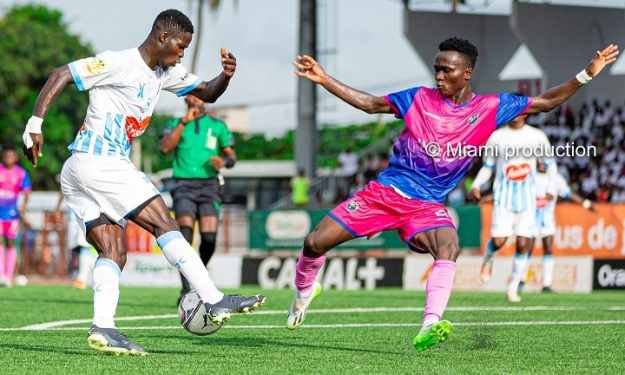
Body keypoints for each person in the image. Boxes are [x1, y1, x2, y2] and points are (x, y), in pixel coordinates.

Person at [287, 37, 618, 351]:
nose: (438, 76)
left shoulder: (490, 108)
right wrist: (325, 78)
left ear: (467, 73)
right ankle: (304, 293)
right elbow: (372, 105)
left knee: (449, 246)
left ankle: (430, 324)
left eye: (446, 70)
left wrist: (586, 74)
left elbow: (545, 103)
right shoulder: (418, 99)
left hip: (427, 206)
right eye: (436, 69)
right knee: (315, 243)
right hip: (386, 193)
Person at [22, 9, 265, 356]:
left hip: (78, 171)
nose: (182, 53)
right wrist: (34, 123)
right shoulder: (118, 62)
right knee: (165, 223)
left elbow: (208, 92)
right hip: (100, 161)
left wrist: (225, 76)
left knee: (113, 251)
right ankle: (213, 299)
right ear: (163, 38)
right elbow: (61, 74)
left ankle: (103, 326)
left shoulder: (165, 73)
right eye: (181, 47)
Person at [468, 112, 557, 303]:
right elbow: (487, 167)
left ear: (525, 113)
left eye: (519, 110)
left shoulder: (537, 136)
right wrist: (476, 185)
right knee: (499, 242)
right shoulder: (497, 137)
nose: (515, 114)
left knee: (523, 244)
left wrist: (551, 187)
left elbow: (550, 164)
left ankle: (513, 288)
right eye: (511, 110)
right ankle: (489, 256)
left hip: (528, 200)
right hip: (503, 199)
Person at [159, 95, 236, 305]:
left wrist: (223, 161)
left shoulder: (217, 125)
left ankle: (197, 277)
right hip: (183, 185)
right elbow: (165, 148)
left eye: (199, 95)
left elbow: (232, 157)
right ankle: (186, 290)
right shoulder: (175, 124)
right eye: (191, 94)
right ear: (186, 99)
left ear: (205, 100)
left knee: (209, 239)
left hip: (209, 185)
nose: (195, 98)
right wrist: (185, 121)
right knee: (184, 236)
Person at [520, 161, 596, 293]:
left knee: (548, 248)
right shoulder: (529, 176)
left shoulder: (555, 178)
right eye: (539, 161)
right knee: (527, 249)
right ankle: (520, 280)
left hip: (547, 220)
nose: (541, 164)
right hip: (530, 220)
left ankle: (546, 284)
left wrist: (585, 203)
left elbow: (569, 193)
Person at [0, 146, 31, 287]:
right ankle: (1, 274)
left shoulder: (21, 173)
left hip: (12, 214)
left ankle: (8, 276)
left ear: (16, 158)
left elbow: (26, 191)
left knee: (10, 242)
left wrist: (23, 205)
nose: (8, 159)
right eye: (6, 156)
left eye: (11, 157)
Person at [54, 192, 96, 290]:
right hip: (73, 216)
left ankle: (82, 279)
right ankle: (87, 277)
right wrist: (58, 207)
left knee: (84, 245)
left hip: (86, 213)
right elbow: (63, 188)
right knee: (78, 247)